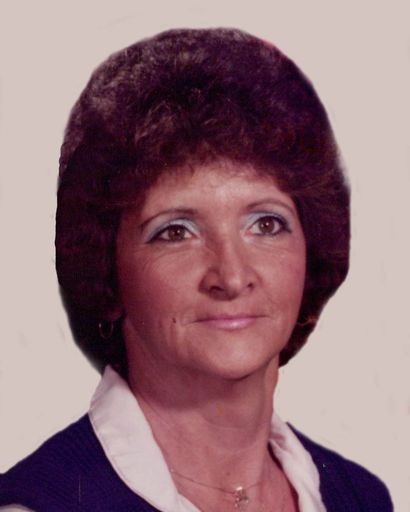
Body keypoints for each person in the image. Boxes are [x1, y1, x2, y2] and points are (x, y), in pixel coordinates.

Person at [0, 28, 393, 512]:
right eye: (176, 231)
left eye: (266, 224)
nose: (232, 277)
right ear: (107, 271)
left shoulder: (360, 497)